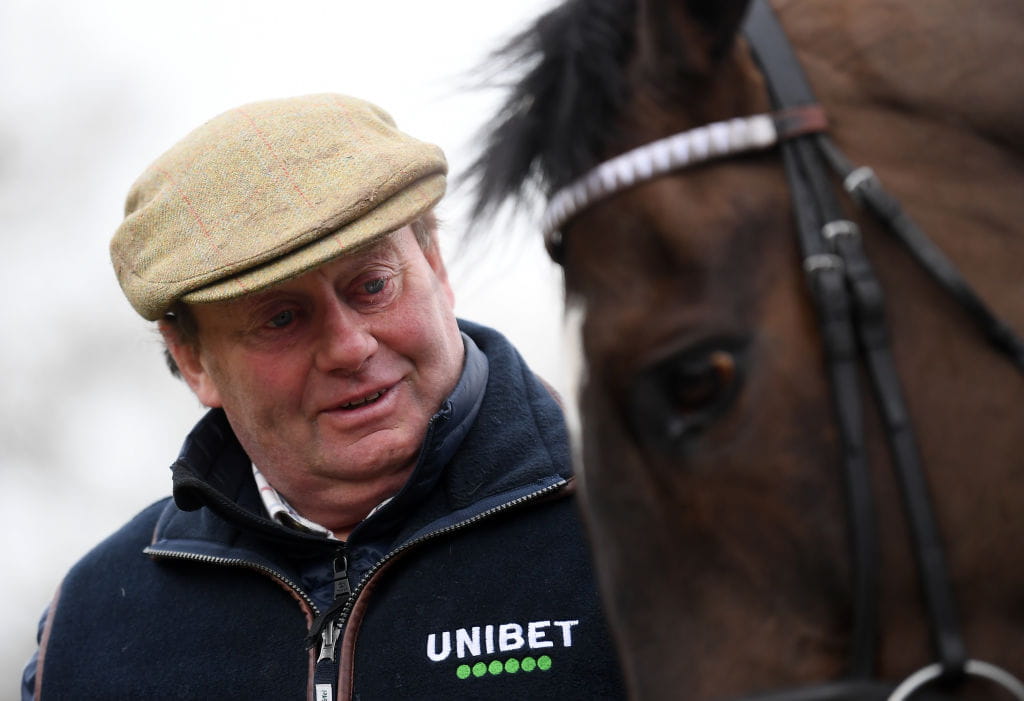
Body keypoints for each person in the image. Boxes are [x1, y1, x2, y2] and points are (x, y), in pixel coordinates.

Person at [23, 94, 625, 700]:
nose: (349, 346)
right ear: (193, 360)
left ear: (436, 268)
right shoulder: (91, 623)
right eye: (282, 318)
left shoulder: (646, 526)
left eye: (372, 285)